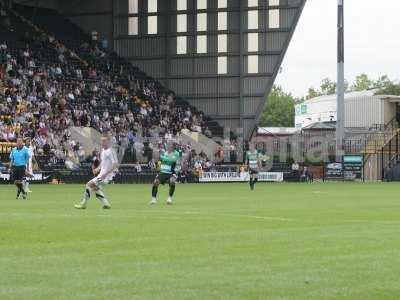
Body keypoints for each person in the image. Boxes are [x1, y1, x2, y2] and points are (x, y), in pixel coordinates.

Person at [74, 135, 118, 210]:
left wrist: (106, 174)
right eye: (101, 141)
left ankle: (83, 204)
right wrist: (98, 169)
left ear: (108, 142)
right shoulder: (103, 151)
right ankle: (106, 204)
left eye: (104, 141)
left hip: (106, 176)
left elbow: (115, 164)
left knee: (89, 184)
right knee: (95, 188)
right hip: (102, 174)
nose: (102, 142)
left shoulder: (110, 151)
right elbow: (103, 163)